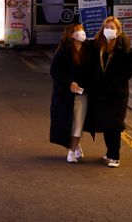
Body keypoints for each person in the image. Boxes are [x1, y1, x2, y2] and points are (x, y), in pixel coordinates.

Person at [92, 15, 132, 168]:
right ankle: (109, 151)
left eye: (112, 28)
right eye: (107, 27)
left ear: (118, 31)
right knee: (106, 123)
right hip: (102, 93)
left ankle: (115, 155)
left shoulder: (125, 50)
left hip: (117, 93)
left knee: (115, 124)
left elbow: (128, 73)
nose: (109, 30)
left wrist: (113, 84)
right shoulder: (98, 47)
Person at [49, 23, 95, 163]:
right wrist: (70, 82)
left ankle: (72, 150)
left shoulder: (89, 49)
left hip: (83, 93)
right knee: (68, 121)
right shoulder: (64, 50)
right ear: (71, 35)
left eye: (82, 30)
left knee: (78, 122)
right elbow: (55, 71)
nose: (81, 33)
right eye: (78, 30)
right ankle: (74, 145)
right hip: (65, 94)